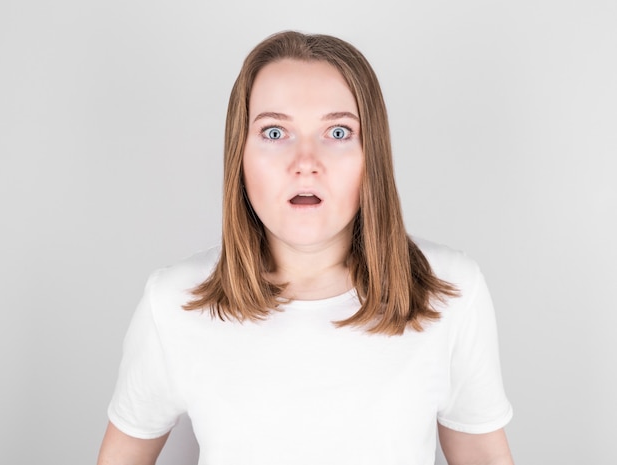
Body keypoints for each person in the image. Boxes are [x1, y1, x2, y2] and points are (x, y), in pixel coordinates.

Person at [97, 31, 514, 465]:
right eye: (275, 132)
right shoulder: (172, 301)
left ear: (372, 154)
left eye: (337, 131)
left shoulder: (451, 292)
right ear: (239, 154)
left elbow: (483, 455)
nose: (305, 162)